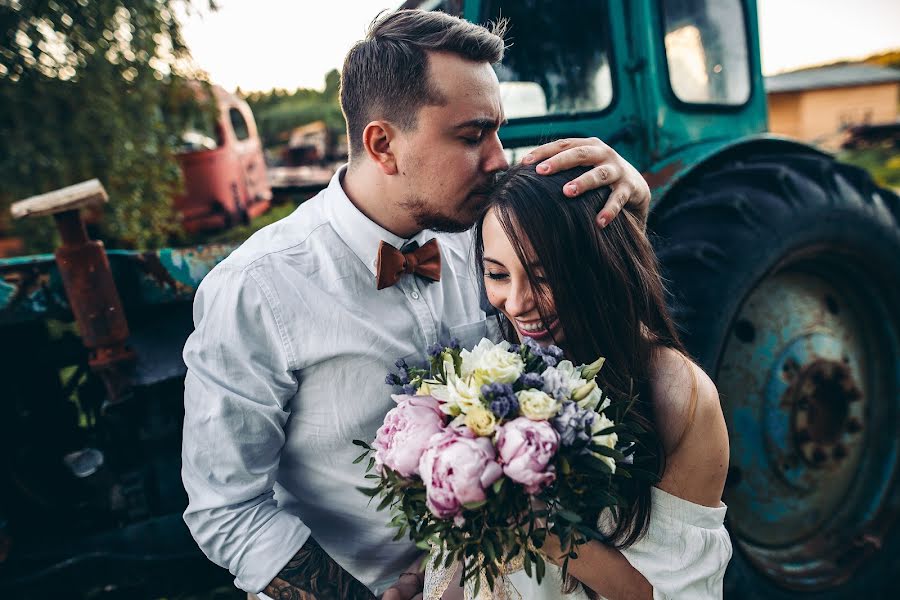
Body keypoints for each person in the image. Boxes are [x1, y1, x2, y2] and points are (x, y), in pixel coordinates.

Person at [180, 9, 652, 600]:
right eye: (471, 135)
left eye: (498, 131)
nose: (500, 158)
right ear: (382, 144)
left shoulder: (492, 234)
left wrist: (628, 212)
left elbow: (598, 331)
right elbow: (227, 510)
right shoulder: (255, 289)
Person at [470, 164, 732, 599]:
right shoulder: (498, 367)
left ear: (597, 265)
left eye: (543, 276)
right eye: (497, 275)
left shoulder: (677, 392)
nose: (515, 303)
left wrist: (549, 534)